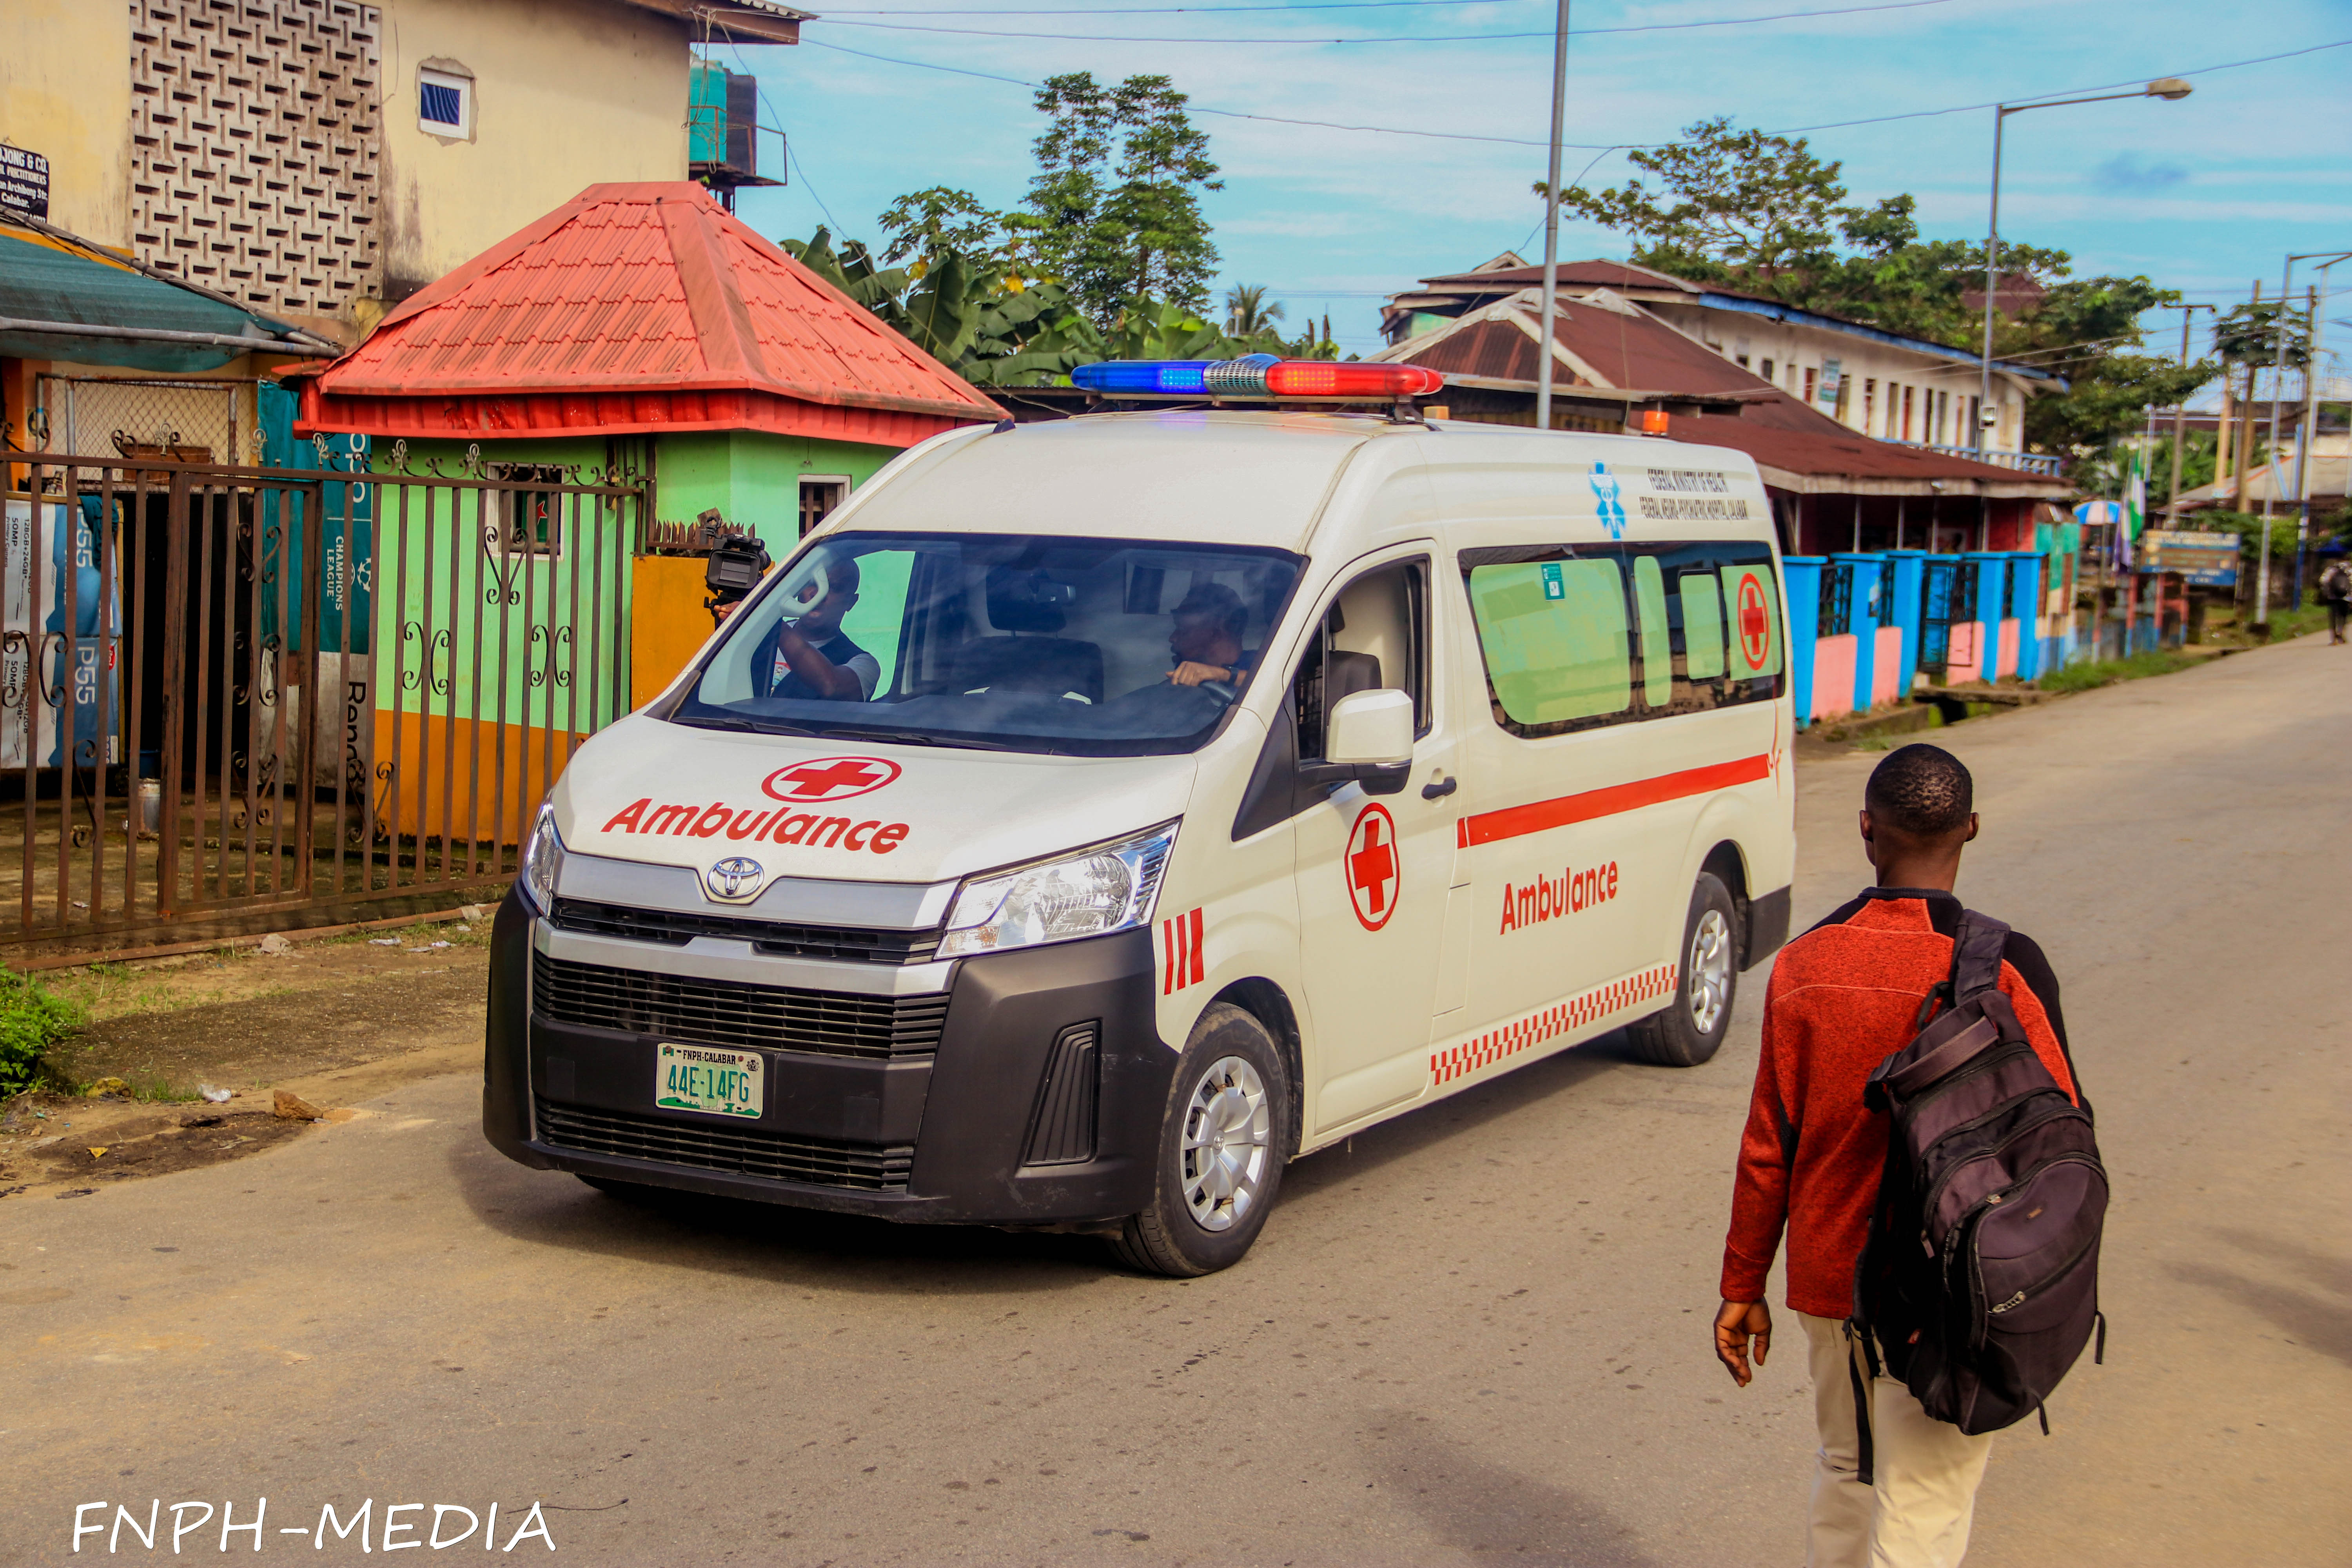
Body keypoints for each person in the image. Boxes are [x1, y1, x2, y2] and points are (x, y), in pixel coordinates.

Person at [1712, 743, 2078, 1568]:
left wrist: (1742, 1285)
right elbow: (2063, 1134)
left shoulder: (1804, 964)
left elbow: (1769, 1147)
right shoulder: (2008, 967)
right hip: (1952, 1285)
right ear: (1971, 828)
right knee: (1925, 1501)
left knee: (1848, 1471)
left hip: (1831, 1282)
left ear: (1866, 828)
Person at [750, 554, 878, 702]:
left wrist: (770, 621)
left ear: (851, 602)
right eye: (811, 583)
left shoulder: (863, 663)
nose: (818, 595)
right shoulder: (756, 633)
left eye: (833, 588)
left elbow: (832, 686)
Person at [1166, 581, 1254, 688]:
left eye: (1183, 629)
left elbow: (1269, 683)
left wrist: (1224, 675)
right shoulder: (1185, 683)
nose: (1172, 638)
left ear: (1218, 631)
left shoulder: (1264, 663)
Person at [2320, 556, 2350, 645]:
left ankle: (2334, 639)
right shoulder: (2350, 569)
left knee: (2333, 617)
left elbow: (2323, 581)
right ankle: (2341, 633)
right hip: (2346, 598)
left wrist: (2327, 592)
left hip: (2333, 597)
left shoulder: (2331, 569)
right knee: (2344, 617)